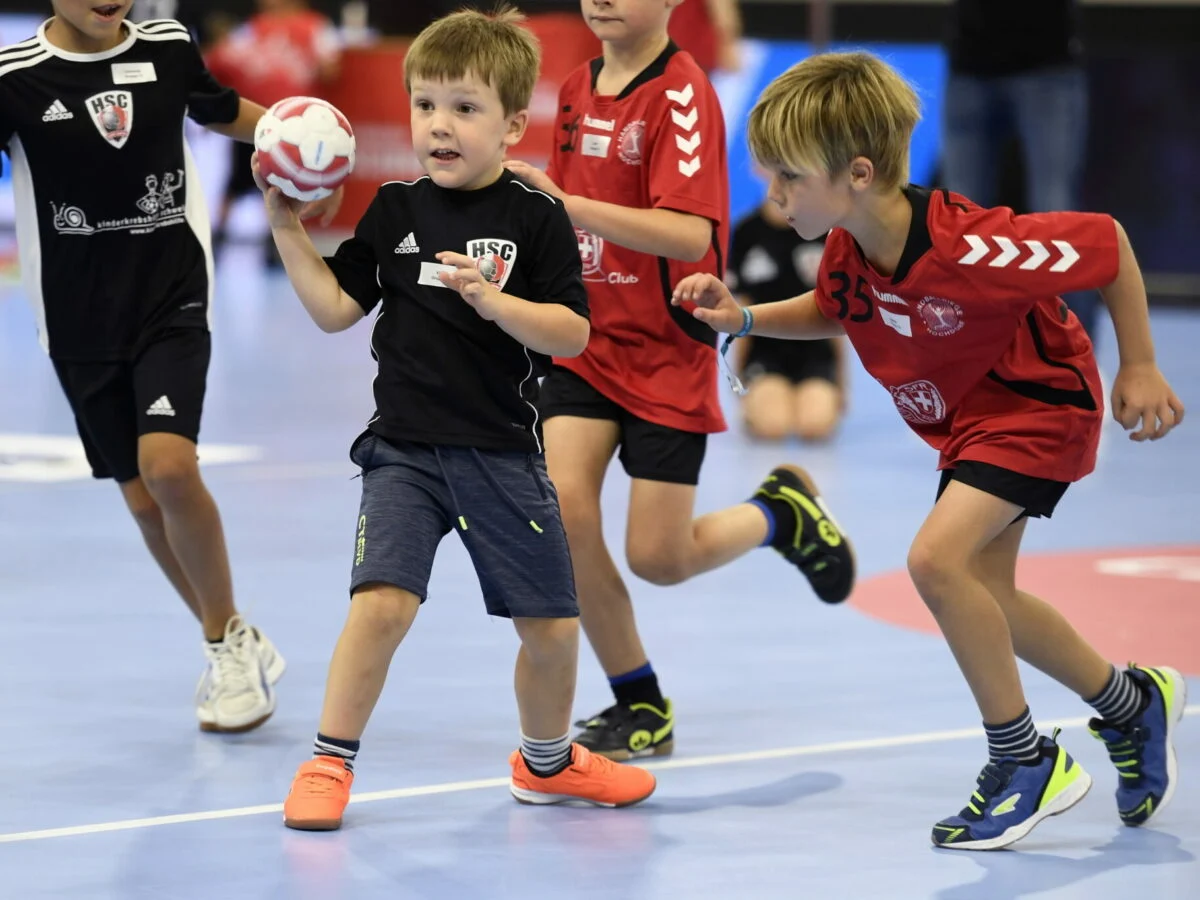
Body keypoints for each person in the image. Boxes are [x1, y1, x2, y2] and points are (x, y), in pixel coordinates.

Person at [673, 51, 1187, 850]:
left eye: (787, 178)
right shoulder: (849, 246)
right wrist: (741, 320)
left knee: (934, 562)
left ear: (858, 172)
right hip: (971, 424)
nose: (772, 197)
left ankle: (1024, 761)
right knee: (988, 594)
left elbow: (1108, 244)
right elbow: (835, 306)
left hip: (1038, 408)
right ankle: (1132, 705)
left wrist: (1142, 364)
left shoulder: (975, 246)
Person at [268, 7, 657, 832]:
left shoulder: (535, 216)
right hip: (403, 452)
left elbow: (574, 331)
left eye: (465, 108)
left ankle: (545, 764)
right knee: (381, 605)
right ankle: (329, 762)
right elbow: (338, 310)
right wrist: (286, 231)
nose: (439, 126)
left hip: (504, 454)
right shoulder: (394, 206)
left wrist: (496, 302)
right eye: (425, 106)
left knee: (552, 631)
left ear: (515, 123)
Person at [503, 0, 857, 762]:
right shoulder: (573, 89)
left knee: (658, 559)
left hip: (669, 345)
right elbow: (560, 221)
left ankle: (780, 516)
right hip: (587, 340)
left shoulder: (683, 94)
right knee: (565, 512)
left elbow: (691, 233)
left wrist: (573, 206)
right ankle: (641, 702)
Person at [0, 0, 342, 731]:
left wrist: (312, 153)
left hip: (171, 299)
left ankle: (222, 644)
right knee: (144, 500)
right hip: (76, 323)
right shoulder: (14, 77)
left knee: (170, 468)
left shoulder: (165, 48)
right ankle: (233, 636)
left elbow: (226, 113)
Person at [940, 0, 1097, 339]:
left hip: (1047, 64)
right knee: (956, 218)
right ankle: (960, 346)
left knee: (1058, 220)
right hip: (970, 63)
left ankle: (1075, 346)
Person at [205, 0, 341, 258]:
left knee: (285, 181)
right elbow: (221, 59)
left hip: (295, 125)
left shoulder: (314, 25)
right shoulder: (253, 27)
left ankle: (278, 241)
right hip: (251, 119)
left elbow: (330, 68)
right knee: (238, 178)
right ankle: (218, 235)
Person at [726, 196, 844, 441]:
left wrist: (842, 385)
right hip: (765, 352)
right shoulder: (747, 230)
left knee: (814, 427)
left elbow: (838, 312)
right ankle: (766, 398)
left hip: (815, 351)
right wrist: (739, 383)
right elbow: (742, 311)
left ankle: (808, 395)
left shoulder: (825, 230)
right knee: (773, 426)